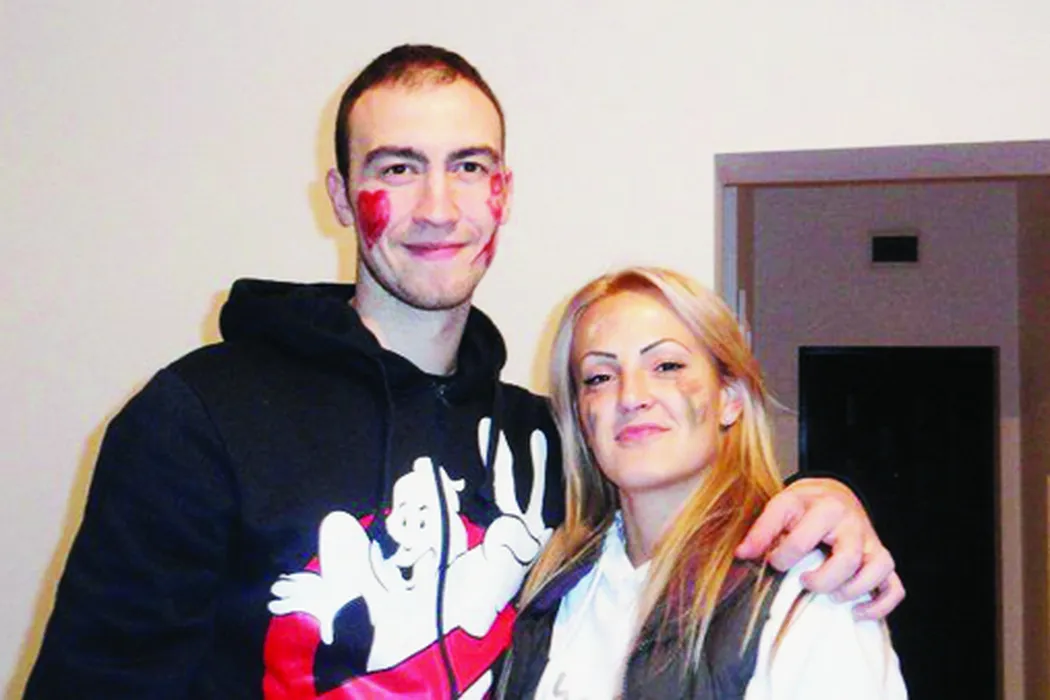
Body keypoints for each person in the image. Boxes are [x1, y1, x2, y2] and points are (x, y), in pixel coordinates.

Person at [25, 45, 901, 699]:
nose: (438, 208)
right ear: (342, 198)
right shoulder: (199, 416)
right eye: (397, 169)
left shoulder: (547, 439)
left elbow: (673, 519)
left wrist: (822, 502)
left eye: (468, 167)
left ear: (502, 192)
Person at [498, 267, 908, 699]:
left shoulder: (809, 586)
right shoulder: (555, 587)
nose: (631, 396)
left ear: (729, 398)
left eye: (667, 366)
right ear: (581, 418)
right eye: (599, 377)